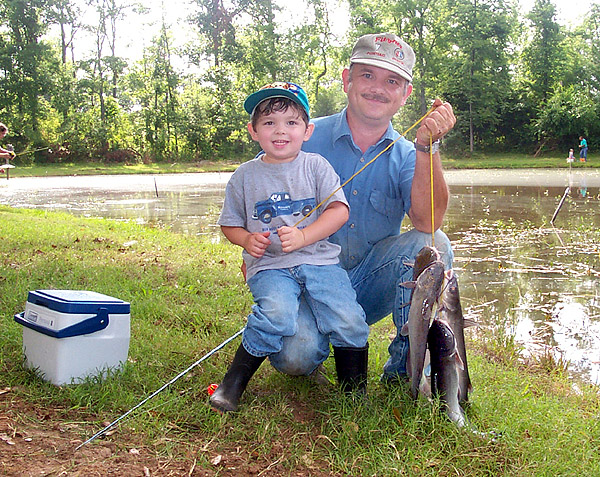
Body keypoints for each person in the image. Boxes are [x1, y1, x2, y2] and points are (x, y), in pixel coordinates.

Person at [267, 33, 457, 386]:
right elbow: (257, 201)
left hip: (369, 283)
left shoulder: (407, 153)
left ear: (405, 95)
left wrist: (427, 149)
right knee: (295, 356)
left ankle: (403, 370)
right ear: (346, 79)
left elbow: (428, 222)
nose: (377, 88)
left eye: (392, 81)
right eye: (367, 75)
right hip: (306, 285)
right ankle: (318, 342)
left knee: (435, 244)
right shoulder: (299, 136)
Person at [210, 82, 370, 412]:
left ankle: (353, 393)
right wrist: (245, 240)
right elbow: (230, 223)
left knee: (349, 318)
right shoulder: (243, 176)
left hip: (320, 261)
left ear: (307, 130)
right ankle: (233, 383)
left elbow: (339, 211)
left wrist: (304, 236)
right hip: (270, 267)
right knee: (277, 315)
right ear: (253, 131)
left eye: (291, 122)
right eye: (269, 123)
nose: (280, 131)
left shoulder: (316, 166)